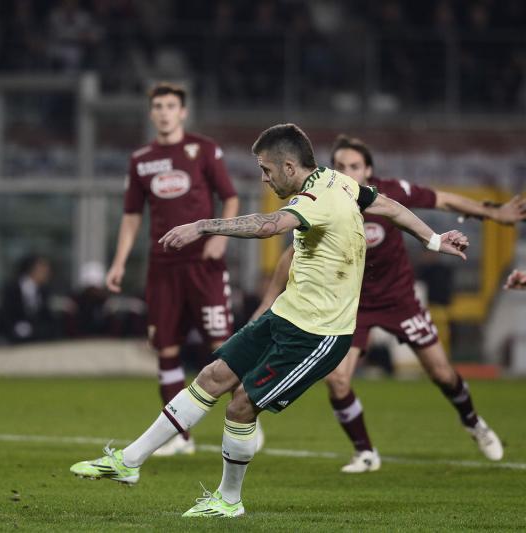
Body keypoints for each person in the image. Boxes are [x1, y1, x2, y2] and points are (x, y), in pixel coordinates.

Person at [71, 123, 469, 517]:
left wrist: (203, 225)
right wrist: (434, 239)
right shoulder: (340, 182)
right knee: (212, 376)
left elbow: (268, 227)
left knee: (241, 407)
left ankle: (229, 500)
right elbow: (388, 206)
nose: (264, 178)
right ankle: (130, 461)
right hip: (286, 315)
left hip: (318, 336)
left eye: (266, 169)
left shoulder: (315, 199)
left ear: (290, 167)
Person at [253, 134, 521, 472]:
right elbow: (292, 253)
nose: (347, 171)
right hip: (353, 306)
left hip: (399, 299)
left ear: (368, 170)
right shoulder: (322, 196)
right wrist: (268, 300)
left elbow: (444, 200)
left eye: (354, 165)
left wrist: (493, 212)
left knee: (441, 372)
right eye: (340, 165)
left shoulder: (388, 193)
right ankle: (365, 452)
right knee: (337, 380)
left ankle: (473, 423)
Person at [106, 82, 241, 456]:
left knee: (223, 347)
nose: (164, 112)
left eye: (171, 106)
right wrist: (119, 262)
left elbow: (230, 197)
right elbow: (132, 216)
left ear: (183, 112)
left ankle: (247, 420)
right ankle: (179, 437)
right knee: (165, 348)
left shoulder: (203, 149)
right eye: (159, 106)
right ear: (152, 113)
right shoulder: (141, 160)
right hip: (163, 268)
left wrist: (220, 236)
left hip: (204, 265)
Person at [0, 254, 57, 343]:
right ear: (32, 270)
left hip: (38, 339)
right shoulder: (12, 288)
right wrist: (16, 329)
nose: (47, 273)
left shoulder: (44, 291)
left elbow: (46, 316)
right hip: (13, 338)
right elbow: (5, 314)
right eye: (43, 269)